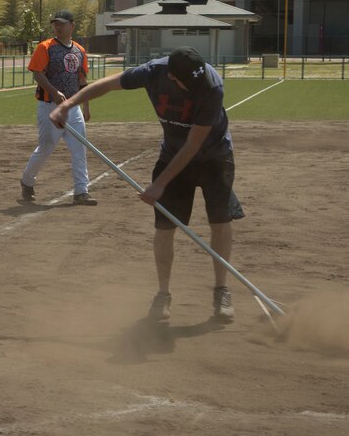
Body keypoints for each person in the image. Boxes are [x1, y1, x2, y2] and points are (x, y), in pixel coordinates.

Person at [50, 46, 241, 323]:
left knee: (220, 221)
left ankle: (221, 290)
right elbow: (107, 84)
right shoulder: (154, 72)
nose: (196, 87)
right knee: (164, 227)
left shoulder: (210, 85)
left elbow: (193, 145)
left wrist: (159, 185)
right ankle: (163, 294)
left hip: (215, 157)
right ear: (174, 78)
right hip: (172, 154)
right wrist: (68, 105)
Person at [19, 10, 96, 206]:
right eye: (55, 23)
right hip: (49, 106)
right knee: (46, 147)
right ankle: (27, 180)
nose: (57, 26)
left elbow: (82, 80)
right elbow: (38, 73)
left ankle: (81, 191)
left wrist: (86, 106)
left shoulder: (79, 50)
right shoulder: (45, 47)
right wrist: (53, 91)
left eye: (61, 23)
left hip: (73, 106)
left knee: (79, 147)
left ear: (72, 25)